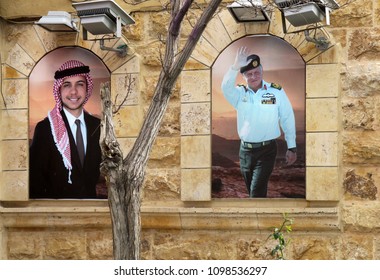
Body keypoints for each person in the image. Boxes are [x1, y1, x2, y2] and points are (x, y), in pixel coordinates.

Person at [221, 47, 297, 198]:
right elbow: (225, 87)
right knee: (253, 193)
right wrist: (235, 66)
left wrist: (292, 146)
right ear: (243, 76)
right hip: (245, 152)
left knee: (256, 193)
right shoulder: (239, 94)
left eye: (257, 72)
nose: (254, 76)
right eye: (249, 74)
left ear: (262, 71)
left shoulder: (276, 91)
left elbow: (287, 117)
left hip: (267, 151)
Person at [30, 60, 102, 199]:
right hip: (57, 213)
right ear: (59, 90)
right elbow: (35, 181)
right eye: (67, 85)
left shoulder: (98, 126)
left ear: (87, 88)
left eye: (80, 84)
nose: (73, 92)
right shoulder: (45, 129)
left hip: (93, 211)